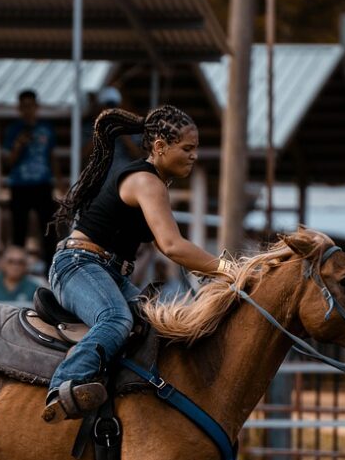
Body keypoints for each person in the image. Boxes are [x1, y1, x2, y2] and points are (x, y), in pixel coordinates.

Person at [42, 105, 229, 423]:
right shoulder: (146, 181)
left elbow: (169, 246)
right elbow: (172, 245)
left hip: (105, 271)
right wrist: (229, 270)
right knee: (115, 320)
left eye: (195, 149)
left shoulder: (154, 183)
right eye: (187, 148)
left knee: (156, 327)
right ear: (160, 147)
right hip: (78, 264)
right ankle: (63, 386)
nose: (194, 156)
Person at [2, 90, 60, 267]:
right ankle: (16, 269)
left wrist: (60, 183)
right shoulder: (13, 130)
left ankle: (50, 270)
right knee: (19, 230)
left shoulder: (46, 128)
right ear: (19, 108)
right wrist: (19, 145)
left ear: (36, 106)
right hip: (20, 185)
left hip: (43, 184)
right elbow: (8, 163)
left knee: (48, 229)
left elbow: (52, 157)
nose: (28, 110)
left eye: (30, 106)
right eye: (24, 106)